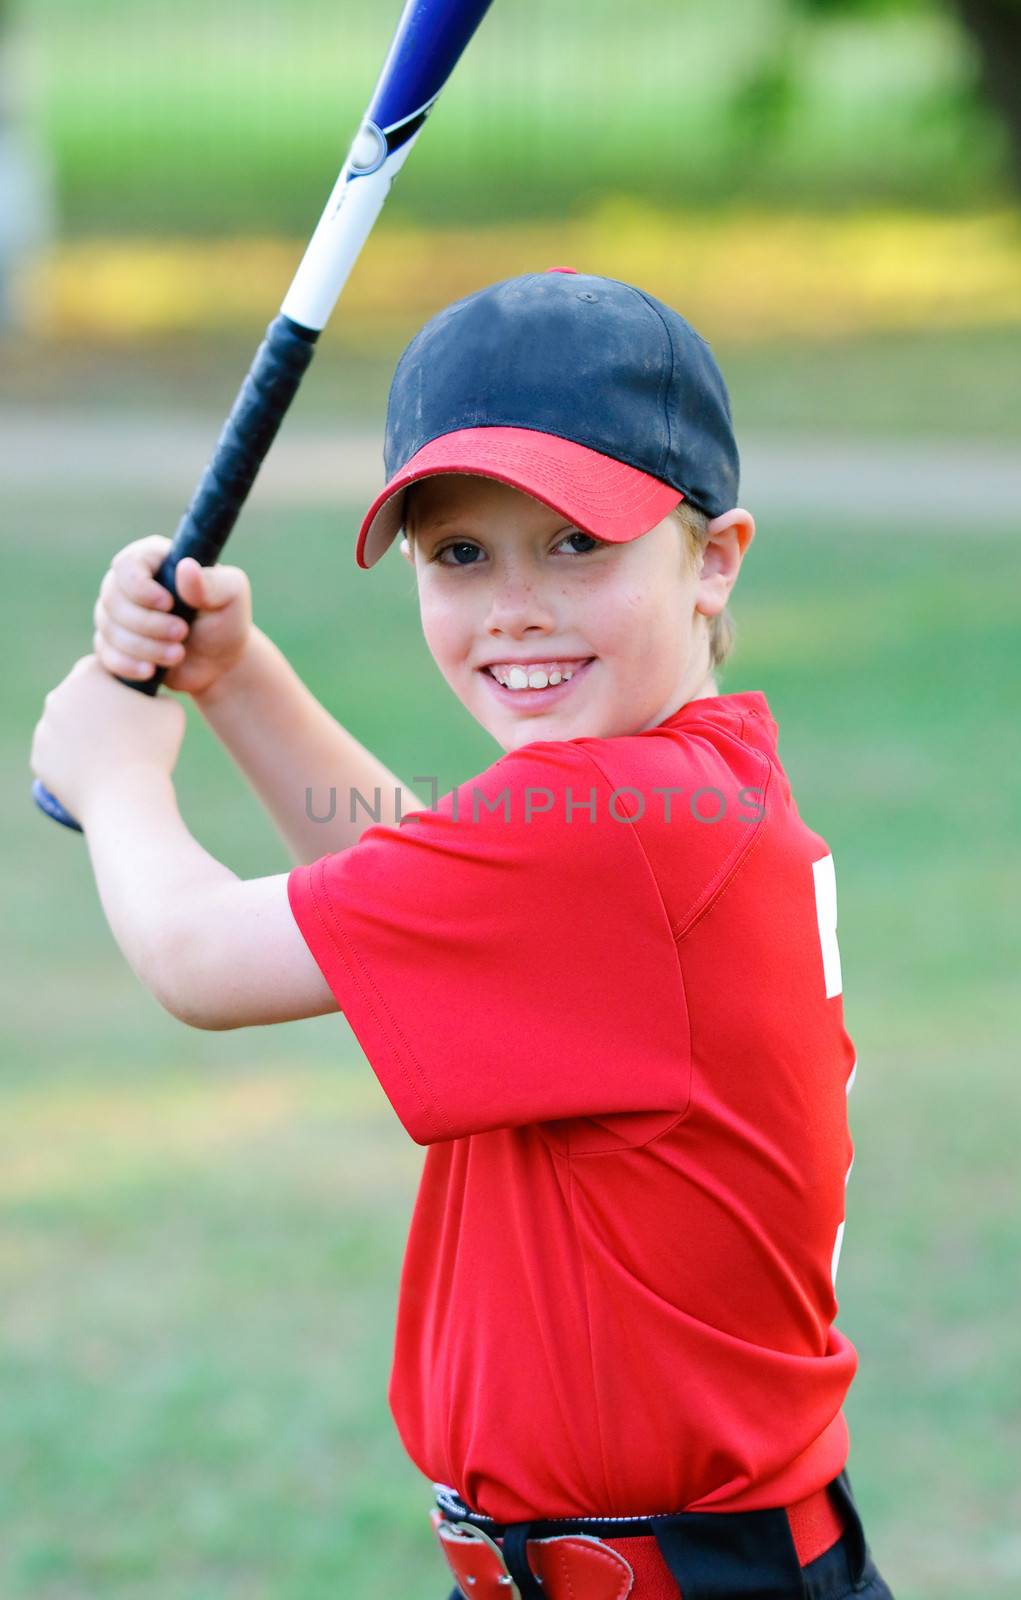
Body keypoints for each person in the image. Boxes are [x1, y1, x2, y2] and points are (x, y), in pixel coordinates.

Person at [31, 269, 895, 1600]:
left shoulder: (607, 820)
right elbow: (410, 886)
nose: (515, 607)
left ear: (715, 558)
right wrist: (235, 678)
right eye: (460, 555)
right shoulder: (688, 785)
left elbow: (200, 960)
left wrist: (113, 778)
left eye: (576, 545)